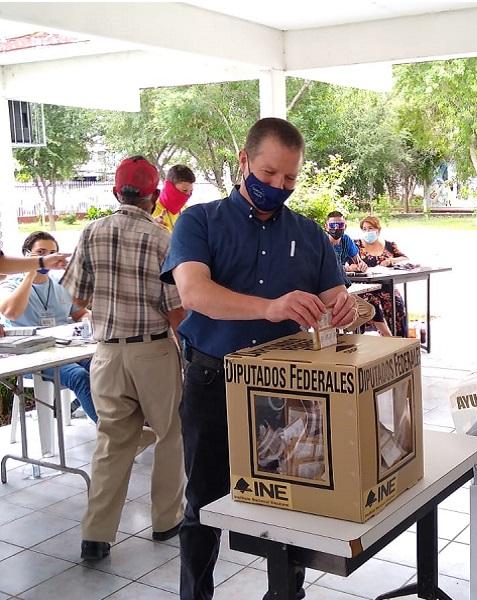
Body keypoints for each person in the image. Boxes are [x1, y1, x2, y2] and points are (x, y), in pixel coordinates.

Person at [161, 117, 356, 600]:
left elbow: (333, 295)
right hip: (214, 380)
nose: (278, 186)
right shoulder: (199, 221)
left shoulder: (309, 234)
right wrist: (270, 308)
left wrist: (346, 308)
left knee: (294, 505)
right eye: (268, 173)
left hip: (286, 389)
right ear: (244, 161)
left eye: (289, 178)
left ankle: (286, 594)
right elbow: (194, 293)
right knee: (203, 505)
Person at [60, 156, 186, 561]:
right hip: (153, 351)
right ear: (154, 196)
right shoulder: (163, 239)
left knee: (111, 441)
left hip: (107, 354)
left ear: (117, 192)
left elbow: (76, 301)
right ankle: (166, 521)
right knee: (170, 434)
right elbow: (175, 309)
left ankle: (96, 535)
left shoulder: (91, 232)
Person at [0, 231, 97, 422]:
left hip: (66, 350)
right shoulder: (11, 285)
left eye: (52, 253)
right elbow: (11, 312)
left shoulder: (60, 284)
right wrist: (30, 273)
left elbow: (80, 313)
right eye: (41, 252)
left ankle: (122, 423)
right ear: (26, 255)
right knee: (79, 376)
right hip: (32, 357)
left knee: (104, 367)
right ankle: (111, 432)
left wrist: (88, 321)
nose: (47, 257)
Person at [355, 215, 409, 337]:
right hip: (364, 287)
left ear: (378, 230)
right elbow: (346, 263)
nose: (367, 231)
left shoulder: (389, 245)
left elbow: (405, 258)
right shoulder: (356, 245)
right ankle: (387, 336)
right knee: (372, 301)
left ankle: (401, 338)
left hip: (386, 285)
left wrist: (391, 261)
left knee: (397, 302)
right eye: (364, 229)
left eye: (370, 228)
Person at [152, 164, 195, 232]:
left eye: (191, 191)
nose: (187, 196)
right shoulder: (152, 210)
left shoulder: (186, 210)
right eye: (184, 190)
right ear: (169, 187)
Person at [325, 210, 367, 275]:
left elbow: (358, 261)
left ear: (345, 227)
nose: (336, 228)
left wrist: (362, 266)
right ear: (326, 227)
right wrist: (348, 269)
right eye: (332, 225)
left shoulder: (346, 240)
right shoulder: (321, 242)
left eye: (340, 225)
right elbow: (321, 268)